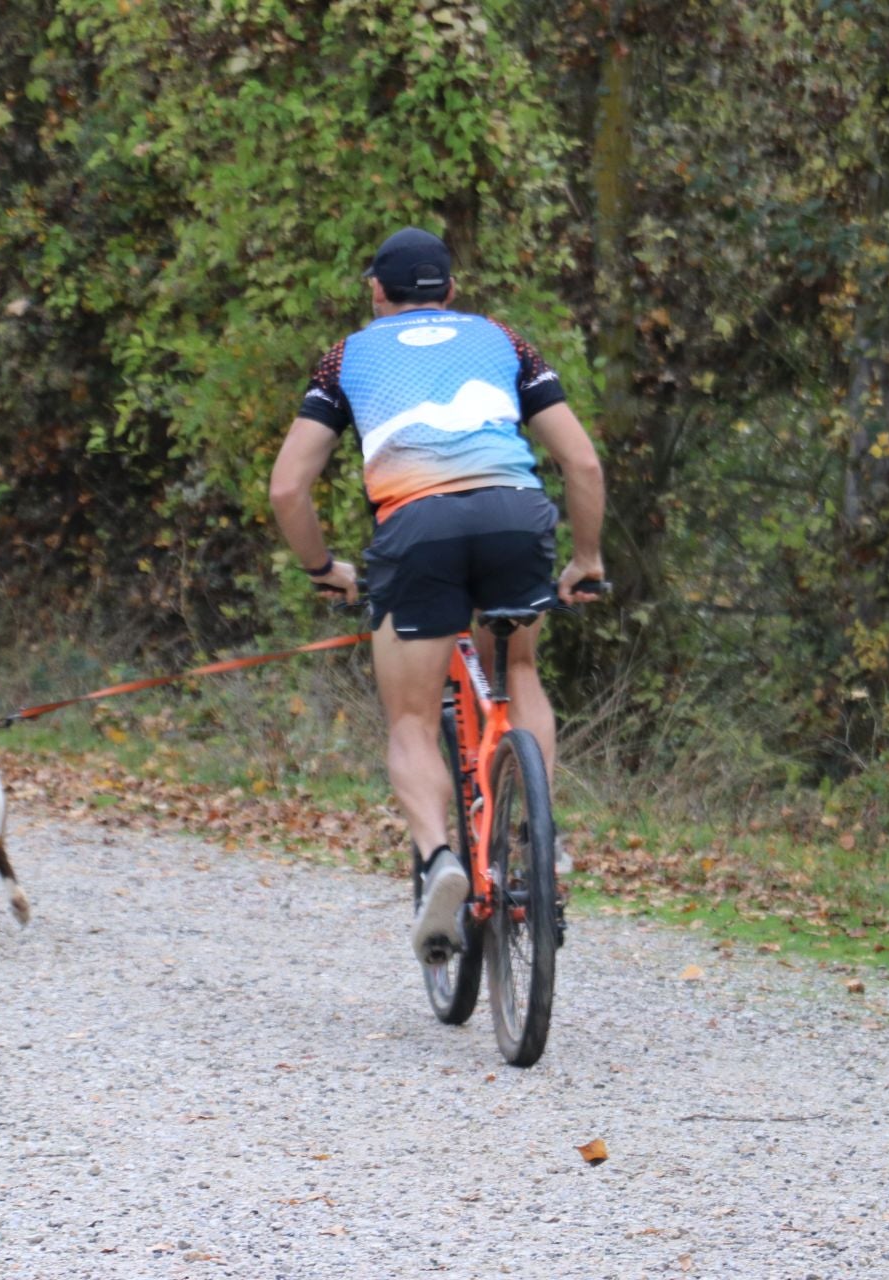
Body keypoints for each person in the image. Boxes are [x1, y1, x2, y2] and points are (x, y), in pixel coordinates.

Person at [267, 226, 608, 961]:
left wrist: (322, 566)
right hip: (516, 515)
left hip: (415, 527)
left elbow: (288, 485)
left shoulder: (347, 355)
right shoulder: (503, 339)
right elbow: (580, 460)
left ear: (376, 293)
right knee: (517, 672)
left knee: (414, 722)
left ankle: (439, 860)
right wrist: (586, 559)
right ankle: (534, 843)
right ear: (451, 291)